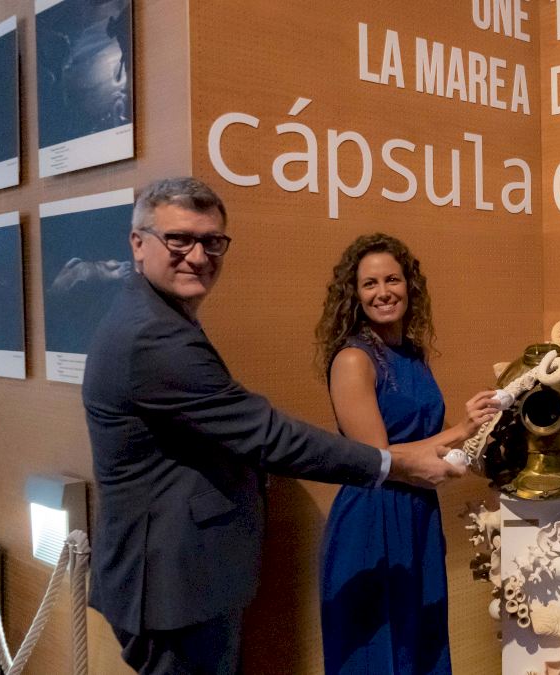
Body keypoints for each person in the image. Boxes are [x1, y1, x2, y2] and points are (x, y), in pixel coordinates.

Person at [82, 177, 464, 675]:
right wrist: (393, 463)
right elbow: (268, 435)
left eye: (212, 241)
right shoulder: (153, 335)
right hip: (169, 583)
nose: (197, 256)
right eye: (179, 239)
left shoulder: (161, 319)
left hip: (186, 577)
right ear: (138, 244)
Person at [314, 233, 496, 675]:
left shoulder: (412, 354)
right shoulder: (353, 360)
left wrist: (476, 428)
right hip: (371, 520)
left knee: (421, 647)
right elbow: (374, 458)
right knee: (377, 655)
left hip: (418, 514)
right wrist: (461, 428)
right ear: (354, 295)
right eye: (370, 283)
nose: (383, 292)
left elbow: (430, 442)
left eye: (392, 280)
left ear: (409, 286)